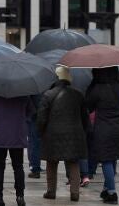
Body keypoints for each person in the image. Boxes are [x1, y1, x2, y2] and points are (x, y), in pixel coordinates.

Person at [37, 67, 88, 202]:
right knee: (73, 162)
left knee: (51, 163)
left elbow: (41, 118)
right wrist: (86, 131)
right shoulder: (78, 94)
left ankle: (51, 191)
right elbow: (85, 117)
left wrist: (40, 132)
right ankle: (75, 192)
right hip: (74, 133)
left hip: (52, 134)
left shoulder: (48, 95)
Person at [0, 93, 35, 206]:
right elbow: (31, 112)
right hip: (17, 135)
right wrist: (23, 121)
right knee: (18, 166)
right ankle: (20, 196)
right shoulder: (24, 94)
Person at [85, 67, 119, 204]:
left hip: (103, 127)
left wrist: (91, 85)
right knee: (112, 158)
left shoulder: (97, 89)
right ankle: (107, 189)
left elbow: (88, 105)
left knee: (106, 159)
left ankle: (112, 192)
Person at [27, 94, 43, 179]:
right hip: (43, 114)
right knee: (37, 141)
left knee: (34, 141)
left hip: (34, 115)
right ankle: (35, 166)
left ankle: (35, 167)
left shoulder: (31, 87)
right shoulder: (46, 83)